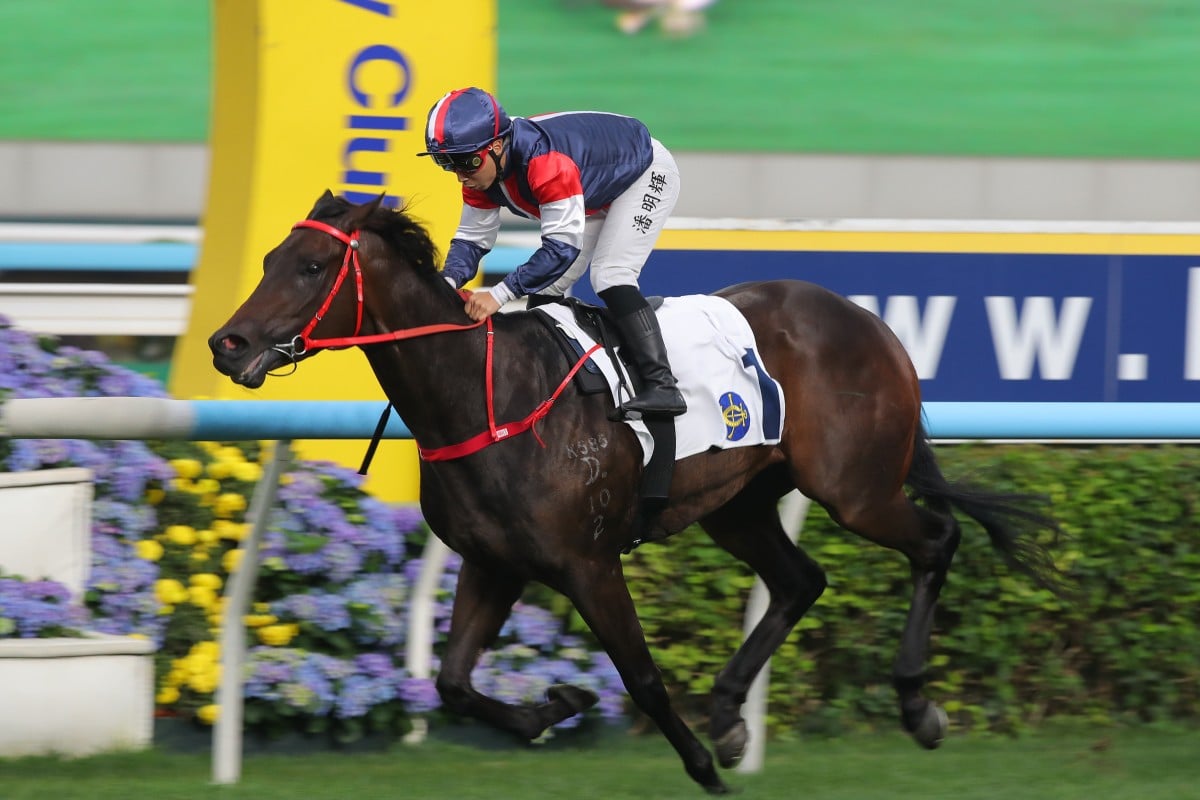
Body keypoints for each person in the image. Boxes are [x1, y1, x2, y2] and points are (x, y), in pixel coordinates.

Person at [417, 87, 687, 420]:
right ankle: (552, 379)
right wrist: (445, 282)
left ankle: (662, 385)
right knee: (546, 287)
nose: (460, 174)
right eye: (447, 163)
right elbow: (472, 241)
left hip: (643, 172)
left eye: (467, 161)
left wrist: (498, 295)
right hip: (592, 185)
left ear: (497, 146)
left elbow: (561, 249)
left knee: (611, 275)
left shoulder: (544, 162)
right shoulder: (482, 171)